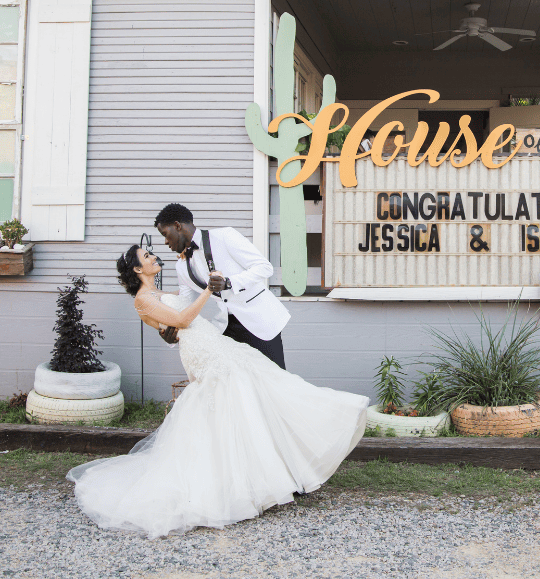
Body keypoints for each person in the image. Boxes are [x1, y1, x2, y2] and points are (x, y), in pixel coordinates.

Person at [66, 245, 368, 537]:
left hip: (212, 342)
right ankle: (241, 485)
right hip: (202, 352)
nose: (154, 256)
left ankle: (267, 472)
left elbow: (172, 325)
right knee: (227, 400)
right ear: (136, 269)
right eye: (147, 256)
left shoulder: (158, 294)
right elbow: (181, 321)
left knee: (254, 391)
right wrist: (209, 290)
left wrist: (190, 276)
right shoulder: (142, 300)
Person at [154, 203, 288, 368]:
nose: (166, 242)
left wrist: (229, 283)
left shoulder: (225, 235)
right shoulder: (181, 266)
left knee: (275, 382)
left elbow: (264, 267)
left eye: (165, 234)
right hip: (225, 327)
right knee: (236, 385)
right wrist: (173, 334)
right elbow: (185, 304)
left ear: (177, 226)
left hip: (259, 321)